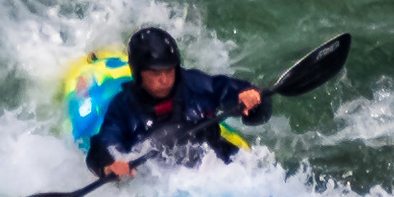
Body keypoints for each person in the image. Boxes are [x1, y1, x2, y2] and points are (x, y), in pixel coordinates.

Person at [88, 24, 267, 179]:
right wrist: (108, 165)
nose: (165, 80)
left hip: (214, 162)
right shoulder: (124, 108)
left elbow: (233, 92)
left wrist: (249, 97)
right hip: (163, 179)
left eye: (169, 71)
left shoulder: (194, 84)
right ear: (138, 73)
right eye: (156, 73)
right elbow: (103, 143)